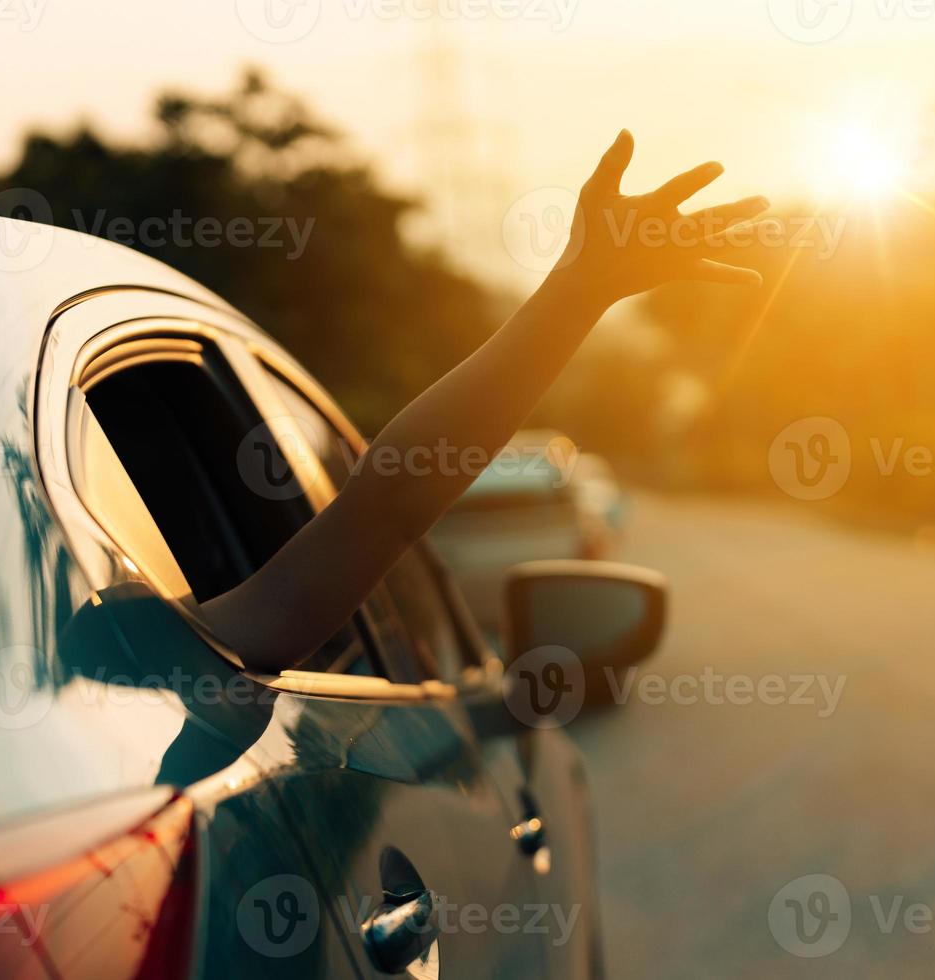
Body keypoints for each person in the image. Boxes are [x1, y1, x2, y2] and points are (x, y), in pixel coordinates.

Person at [199, 130, 770, 672]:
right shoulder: (172, 654)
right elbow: (391, 502)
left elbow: (395, 498)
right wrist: (581, 289)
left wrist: (583, 288)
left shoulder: (151, 652)